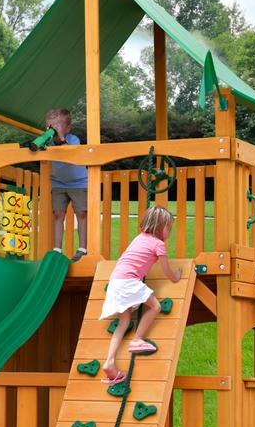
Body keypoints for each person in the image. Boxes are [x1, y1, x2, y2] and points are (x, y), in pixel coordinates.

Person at [98, 206, 181, 383]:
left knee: (124, 322)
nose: (169, 232)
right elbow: (167, 272)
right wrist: (177, 276)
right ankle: (137, 339)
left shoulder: (139, 239)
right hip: (128, 281)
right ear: (160, 227)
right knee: (156, 306)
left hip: (115, 282)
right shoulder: (159, 244)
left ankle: (109, 362)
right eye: (168, 228)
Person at [45, 108, 89, 261]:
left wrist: (62, 139)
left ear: (68, 128)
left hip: (78, 182)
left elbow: (70, 153)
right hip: (58, 183)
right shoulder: (47, 142)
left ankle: (83, 248)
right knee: (58, 214)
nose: (53, 130)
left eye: (57, 126)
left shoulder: (73, 139)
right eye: (50, 126)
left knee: (82, 213)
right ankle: (57, 249)